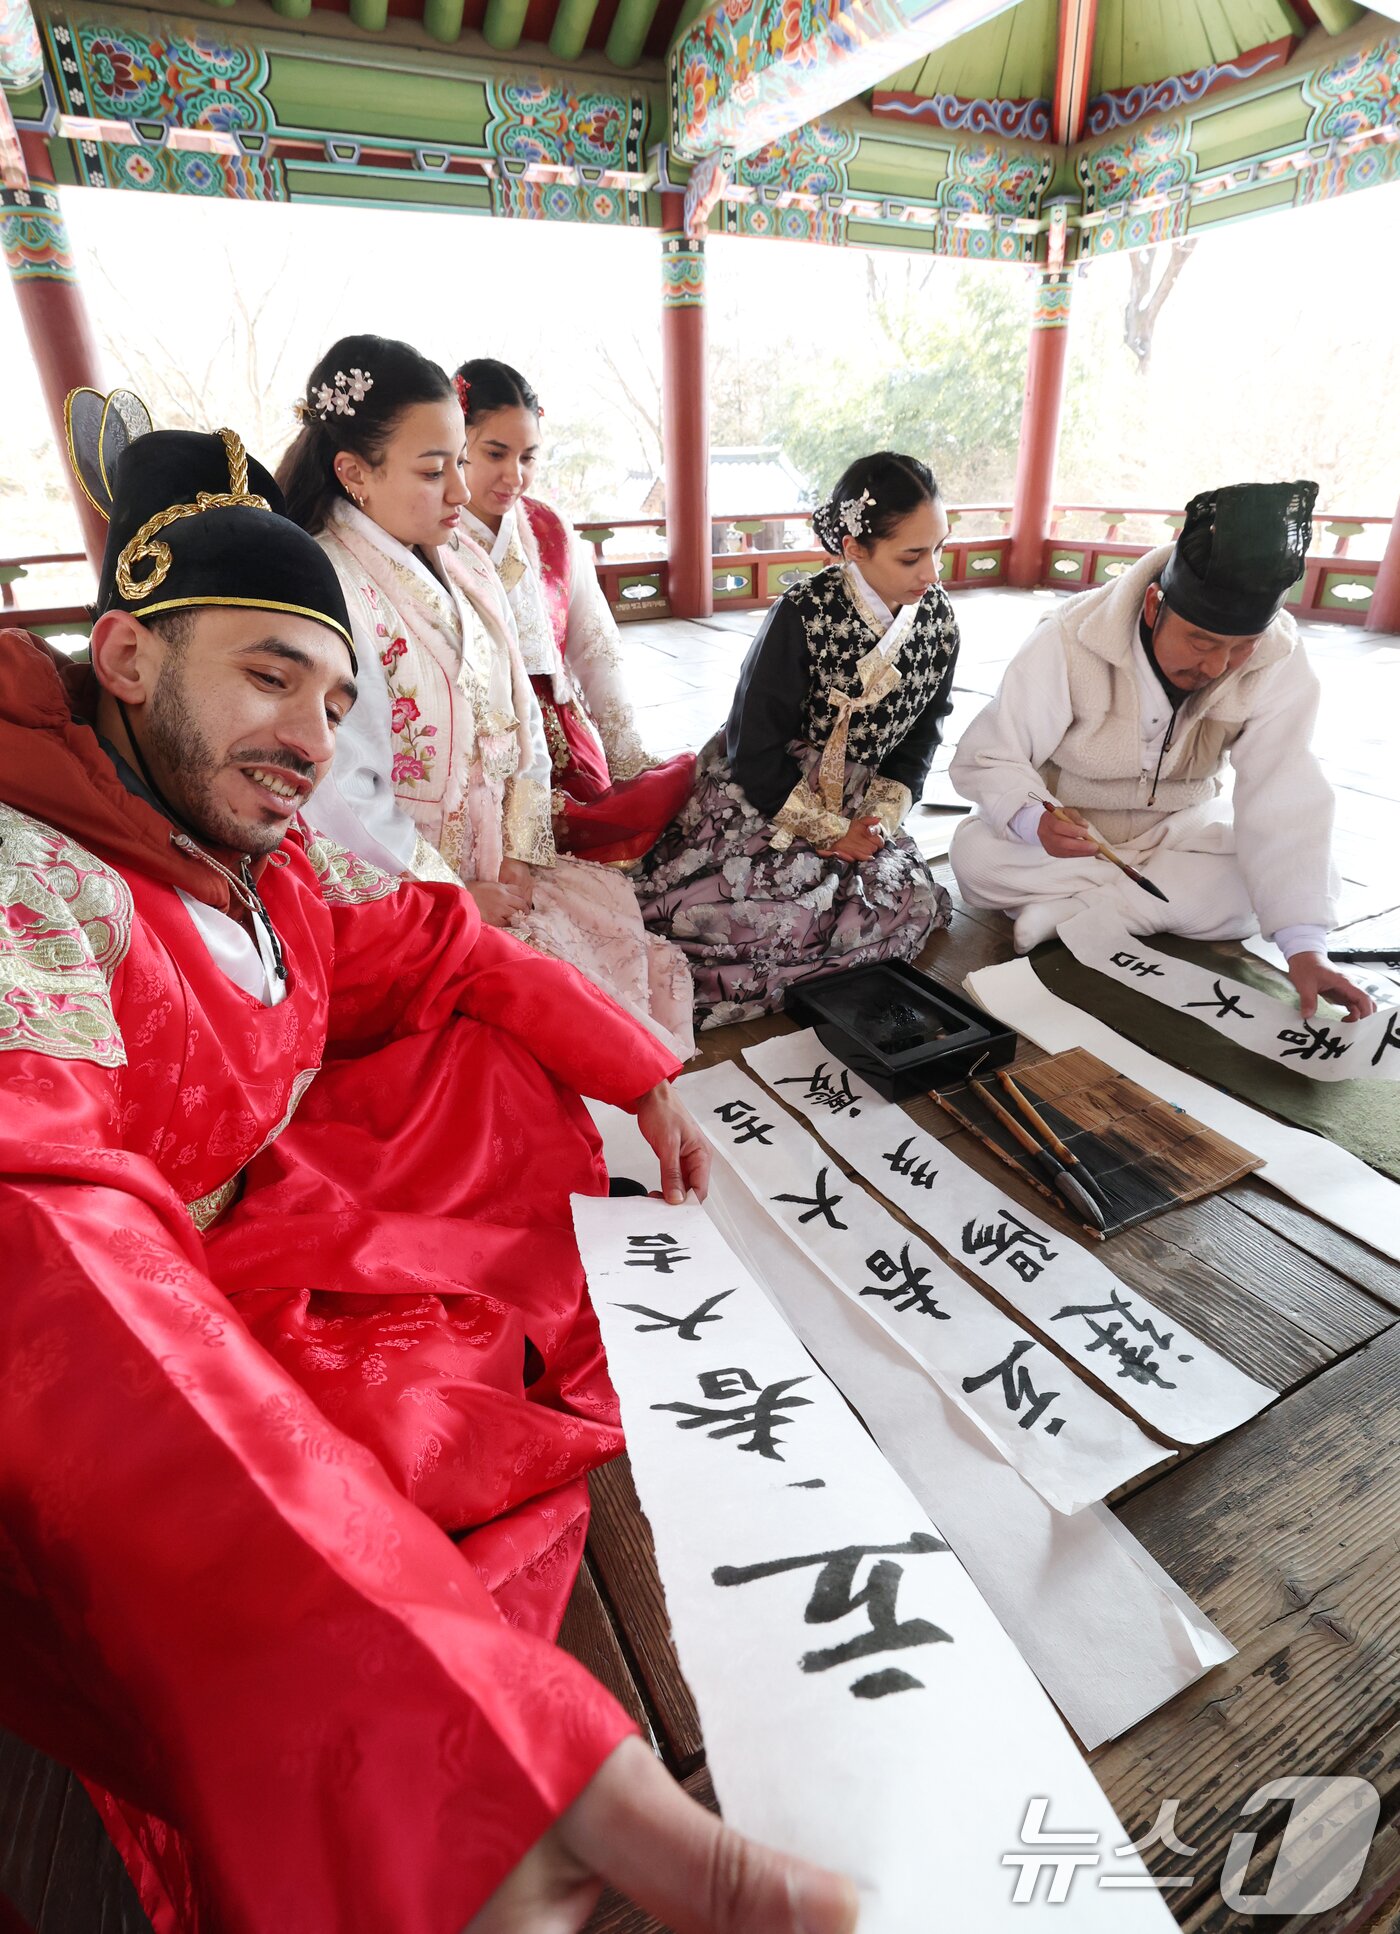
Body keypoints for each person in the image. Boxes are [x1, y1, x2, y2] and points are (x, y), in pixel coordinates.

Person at [0, 395, 859, 1934]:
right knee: (354, 1515)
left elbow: (440, 943)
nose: (307, 741)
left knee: (494, 1048)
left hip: (261, 1213)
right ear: (126, 660)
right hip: (125, 1354)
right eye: (268, 675)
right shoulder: (33, 881)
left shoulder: (250, 841)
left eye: (334, 699)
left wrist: (635, 1064)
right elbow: (42, 1240)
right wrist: (424, 1717)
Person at [278, 335, 694, 1059]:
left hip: (501, 860)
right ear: (353, 472)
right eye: (436, 470)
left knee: (613, 1001)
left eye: (458, 467)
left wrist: (523, 849)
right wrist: (455, 899)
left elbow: (520, 711)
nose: (463, 493)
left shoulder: (461, 554)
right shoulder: (325, 588)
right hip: (407, 893)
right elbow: (340, 790)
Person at [949, 478, 1375, 1021]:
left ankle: (1078, 910)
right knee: (977, 860)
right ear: (1154, 606)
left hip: (1180, 834)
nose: (1216, 667)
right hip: (1073, 839)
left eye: (1241, 648)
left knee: (1285, 888)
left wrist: (1305, 948)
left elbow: (1284, 789)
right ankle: (1110, 906)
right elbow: (990, 755)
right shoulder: (1069, 637)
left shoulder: (1279, 661)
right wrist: (1036, 821)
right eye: (1201, 641)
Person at [634, 452, 959, 1029]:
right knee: (742, 913)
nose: (932, 573)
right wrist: (829, 830)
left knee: (903, 894)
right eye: (913, 556)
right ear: (854, 547)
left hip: (862, 803)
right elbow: (752, 747)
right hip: (769, 796)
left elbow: (922, 735)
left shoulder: (937, 621)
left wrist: (876, 823)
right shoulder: (801, 614)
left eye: (939, 548)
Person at [453, 356, 697, 864]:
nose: (514, 476)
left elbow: (594, 647)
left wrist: (624, 748)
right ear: (458, 443)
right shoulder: (432, 530)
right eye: (496, 453)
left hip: (562, 733)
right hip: (474, 741)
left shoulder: (550, 527)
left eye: (529, 457)